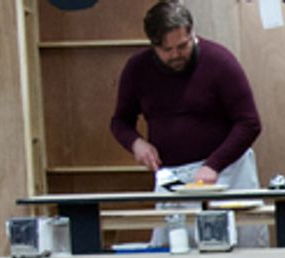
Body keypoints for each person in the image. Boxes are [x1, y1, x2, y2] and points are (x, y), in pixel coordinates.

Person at [110, 2, 262, 190]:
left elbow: (249, 123)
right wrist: (136, 143)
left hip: (228, 171)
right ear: (153, 45)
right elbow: (120, 122)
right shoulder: (137, 69)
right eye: (167, 50)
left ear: (192, 34)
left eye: (183, 46)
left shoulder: (220, 61)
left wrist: (214, 164)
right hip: (172, 175)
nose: (176, 55)